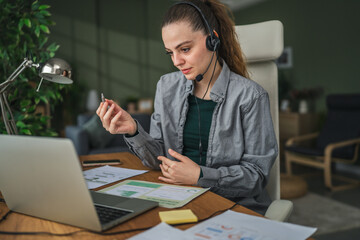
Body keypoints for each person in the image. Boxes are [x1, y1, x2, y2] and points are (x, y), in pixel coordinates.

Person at [97, 0, 277, 215]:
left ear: (213, 41)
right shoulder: (166, 86)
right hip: (178, 198)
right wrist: (133, 130)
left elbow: (256, 176)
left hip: (232, 206)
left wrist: (200, 176)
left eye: (184, 49)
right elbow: (159, 159)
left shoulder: (250, 96)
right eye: (170, 52)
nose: (177, 61)